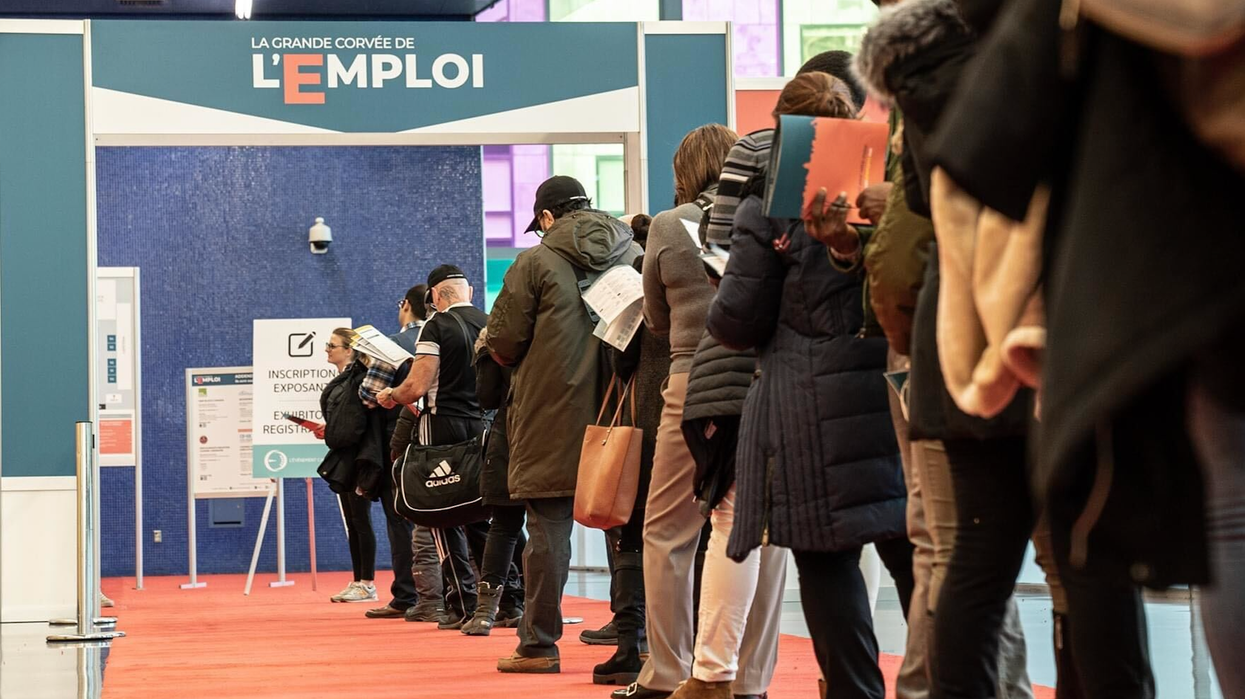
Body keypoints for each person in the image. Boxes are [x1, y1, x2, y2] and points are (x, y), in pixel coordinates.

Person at [706, 72, 913, 699]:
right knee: (915, 555)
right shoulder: (892, 193)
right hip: (892, 392)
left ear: (782, 130)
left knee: (828, 563)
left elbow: (737, 321)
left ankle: (856, 691)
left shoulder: (767, 204)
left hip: (806, 405)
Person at [487, 175, 639, 674]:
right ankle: (628, 634)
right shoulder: (632, 251)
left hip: (550, 412)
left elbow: (504, 342)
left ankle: (538, 645)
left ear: (547, 217)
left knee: (548, 528)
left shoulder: (533, 263)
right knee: (625, 525)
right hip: (620, 410)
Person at [380, 265, 490, 631]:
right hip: (483, 428)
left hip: (440, 429)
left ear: (434, 297)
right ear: (468, 291)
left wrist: (391, 395)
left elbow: (417, 386)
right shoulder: (489, 321)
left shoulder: (435, 325)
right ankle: (504, 600)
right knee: (482, 513)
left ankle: (461, 603)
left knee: (441, 515)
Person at [355, 284, 442, 622]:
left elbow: (370, 394)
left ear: (406, 305)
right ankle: (456, 592)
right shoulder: (452, 336)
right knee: (455, 518)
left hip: (402, 440)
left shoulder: (390, 345)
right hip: (454, 438)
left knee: (401, 519)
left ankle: (407, 594)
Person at [463, 327, 527, 636]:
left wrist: (484, 353)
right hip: (556, 438)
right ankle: (543, 612)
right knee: (550, 527)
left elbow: (486, 397)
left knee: (503, 526)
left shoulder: (496, 340)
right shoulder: (560, 333)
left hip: (510, 437)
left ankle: (485, 612)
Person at [316, 328, 378, 603]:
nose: (327, 350)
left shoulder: (360, 380)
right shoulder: (343, 380)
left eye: (332, 345)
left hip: (359, 456)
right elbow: (344, 420)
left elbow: (357, 422)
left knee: (360, 520)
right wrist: (329, 429)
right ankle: (358, 581)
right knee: (353, 521)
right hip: (344, 455)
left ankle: (366, 583)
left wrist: (334, 432)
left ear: (349, 350)